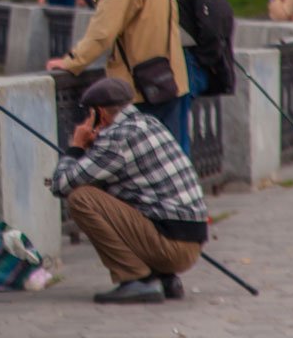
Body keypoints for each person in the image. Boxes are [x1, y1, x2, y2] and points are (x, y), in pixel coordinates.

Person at [50, 78, 208, 303]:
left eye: (89, 114)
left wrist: (76, 147)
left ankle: (134, 279)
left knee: (81, 198)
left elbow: (62, 184)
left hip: (171, 246)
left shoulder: (116, 138)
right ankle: (162, 277)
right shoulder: (147, 123)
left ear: (99, 113)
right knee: (117, 197)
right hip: (191, 242)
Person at [47, 0, 189, 147]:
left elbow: (103, 31)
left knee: (139, 161)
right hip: (170, 80)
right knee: (167, 156)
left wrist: (72, 62)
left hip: (140, 88)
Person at [159, 0, 235, 156]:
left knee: (176, 132)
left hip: (188, 60)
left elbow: (215, 22)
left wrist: (204, 61)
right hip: (173, 60)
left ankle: (182, 189)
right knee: (170, 131)